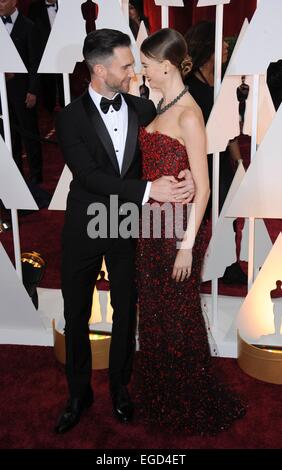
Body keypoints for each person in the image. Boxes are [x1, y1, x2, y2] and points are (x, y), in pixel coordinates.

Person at [54, 28, 194, 434]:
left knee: (125, 309)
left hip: (127, 224)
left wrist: (181, 173)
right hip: (84, 224)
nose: (134, 71)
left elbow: (166, 148)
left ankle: (120, 386)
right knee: (75, 313)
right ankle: (78, 394)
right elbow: (91, 176)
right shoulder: (69, 118)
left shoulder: (141, 109)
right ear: (99, 70)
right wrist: (150, 189)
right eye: (126, 65)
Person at [134, 27, 246, 435]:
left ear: (165, 67)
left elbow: (205, 187)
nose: (142, 72)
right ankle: (164, 390)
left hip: (178, 230)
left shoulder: (188, 113)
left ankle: (186, 397)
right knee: (158, 310)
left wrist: (185, 248)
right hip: (151, 222)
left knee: (177, 313)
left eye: (146, 66)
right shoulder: (163, 100)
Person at [185, 21, 247, 285]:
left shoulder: (223, 82)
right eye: (221, 42)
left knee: (229, 214)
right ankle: (190, 265)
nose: (226, 47)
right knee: (196, 218)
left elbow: (230, 127)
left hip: (221, 158)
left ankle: (229, 264)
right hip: (196, 161)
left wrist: (239, 162)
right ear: (207, 47)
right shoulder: (188, 86)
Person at [0, 0, 43, 184]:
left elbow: (35, 62)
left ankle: (36, 176)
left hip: (23, 91)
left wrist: (33, 90)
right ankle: (16, 177)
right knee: (9, 137)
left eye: (3, 0)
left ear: (14, 2)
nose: (0, 4)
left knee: (29, 134)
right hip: (1, 93)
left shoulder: (28, 26)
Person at [28, 0, 64, 113]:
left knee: (66, 86)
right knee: (49, 87)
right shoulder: (34, 8)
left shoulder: (66, 5)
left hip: (65, 52)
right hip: (44, 55)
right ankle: (51, 112)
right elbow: (32, 33)